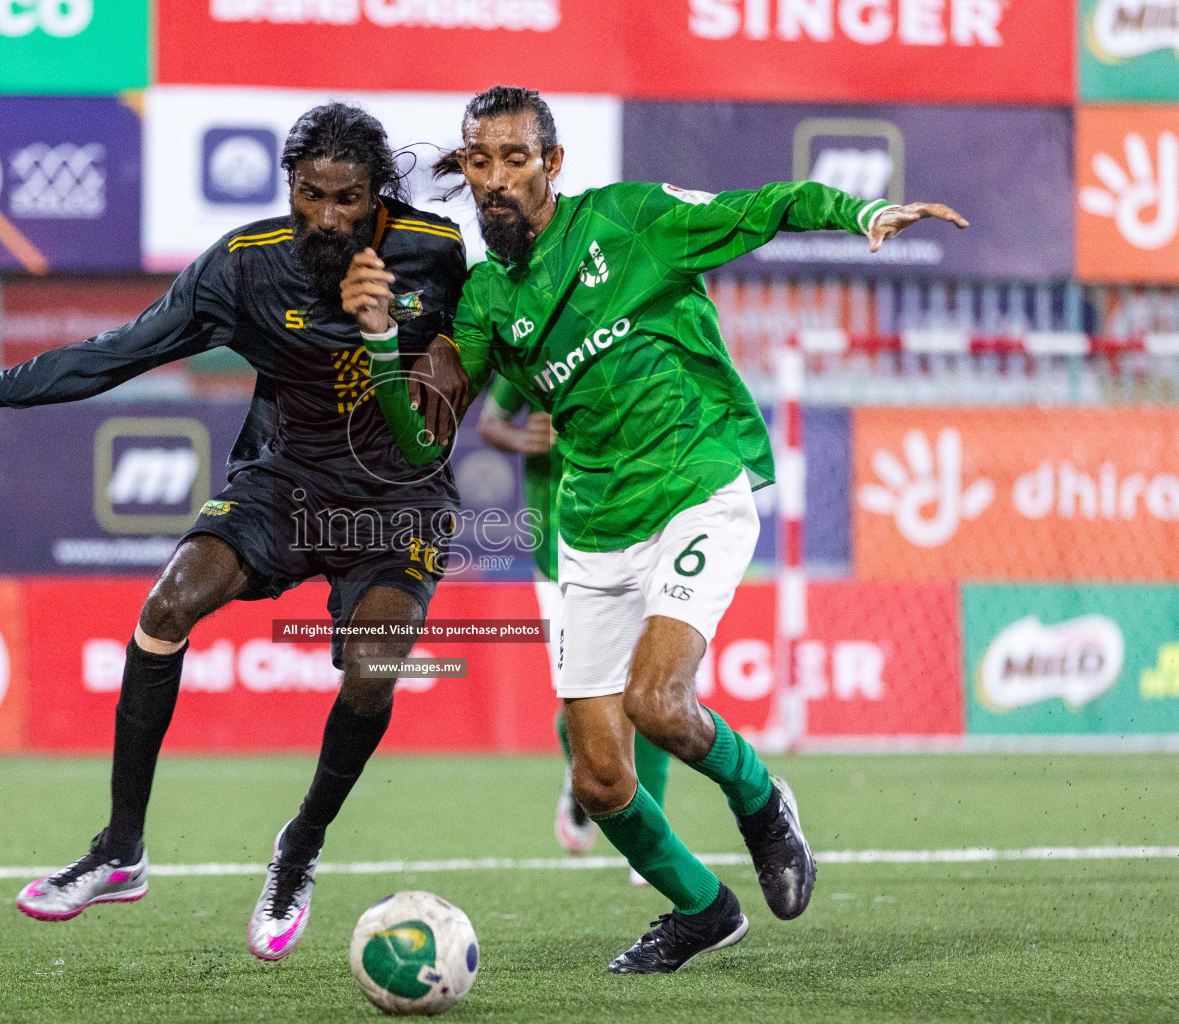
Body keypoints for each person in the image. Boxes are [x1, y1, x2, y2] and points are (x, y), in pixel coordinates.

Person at [349, 85, 968, 974]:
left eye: (515, 160)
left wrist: (862, 209)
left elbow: (770, 206)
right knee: (599, 778)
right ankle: (703, 912)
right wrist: (379, 342)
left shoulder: (631, 220)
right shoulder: (484, 298)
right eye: (480, 163)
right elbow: (424, 439)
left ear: (552, 165)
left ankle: (762, 806)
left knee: (659, 704)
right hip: (592, 530)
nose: (496, 180)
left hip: (697, 490)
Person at [0, 103, 469, 960]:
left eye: (348, 199)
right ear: (289, 186)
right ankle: (120, 847)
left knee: (371, 671)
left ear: (379, 197)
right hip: (284, 482)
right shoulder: (244, 268)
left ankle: (302, 844)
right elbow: (111, 354)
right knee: (168, 602)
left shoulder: (436, 254)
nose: (327, 216)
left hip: (398, 502)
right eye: (310, 194)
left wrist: (388, 337)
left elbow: (448, 401)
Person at [478, 382, 669, 881]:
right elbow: (489, 423)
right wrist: (524, 440)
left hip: (636, 539)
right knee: (582, 703)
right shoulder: (533, 345)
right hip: (558, 553)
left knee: (649, 689)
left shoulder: (630, 348)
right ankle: (581, 771)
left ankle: (651, 839)